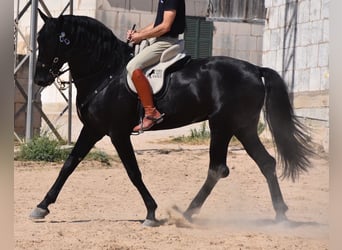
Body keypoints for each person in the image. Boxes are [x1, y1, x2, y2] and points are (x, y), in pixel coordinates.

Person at [126, 0, 186, 133]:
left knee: (133, 66)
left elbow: (165, 26)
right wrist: (138, 33)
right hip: (159, 39)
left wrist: (140, 36)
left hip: (167, 41)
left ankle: (151, 112)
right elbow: (156, 24)